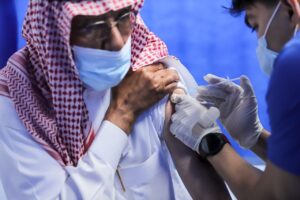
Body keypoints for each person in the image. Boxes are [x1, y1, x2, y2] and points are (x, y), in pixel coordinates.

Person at [0, 0, 230, 199]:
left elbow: (208, 189)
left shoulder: (152, 73)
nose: (118, 42)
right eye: (94, 26)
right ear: (54, 31)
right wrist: (123, 114)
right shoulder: (17, 103)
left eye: (122, 17)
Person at [170, 0, 300, 199]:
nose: (260, 39)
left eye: (256, 25)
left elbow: (274, 196)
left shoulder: (293, 63)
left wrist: (209, 140)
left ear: (290, 8)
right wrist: (255, 137)